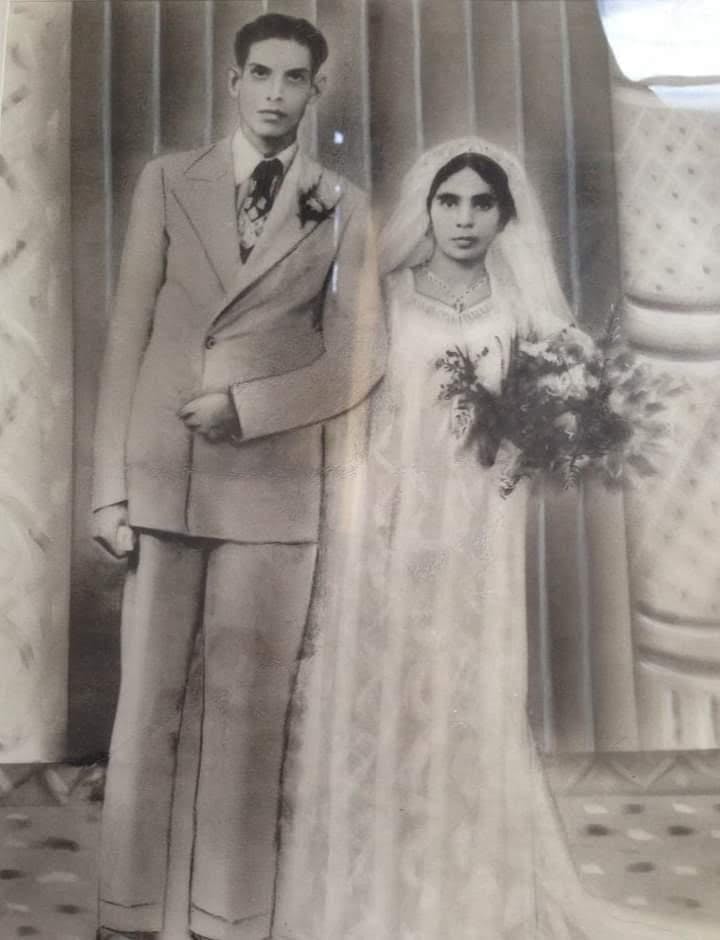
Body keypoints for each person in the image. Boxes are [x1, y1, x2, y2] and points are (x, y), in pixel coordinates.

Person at [270, 138, 718, 940]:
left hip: (478, 532)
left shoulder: (523, 313)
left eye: (482, 204)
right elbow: (349, 413)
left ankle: (467, 899)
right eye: (451, 202)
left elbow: (570, 413)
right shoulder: (389, 295)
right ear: (427, 209)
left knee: (467, 697)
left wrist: (560, 428)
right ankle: (372, 896)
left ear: (505, 215)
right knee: (385, 696)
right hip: (386, 529)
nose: (465, 218)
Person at [91, 13, 384, 940]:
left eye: (293, 79)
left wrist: (250, 408)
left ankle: (229, 920)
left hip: (271, 487)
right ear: (232, 81)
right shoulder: (165, 181)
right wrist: (110, 487)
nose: (273, 93)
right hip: (164, 475)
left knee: (249, 714)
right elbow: (128, 330)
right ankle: (127, 918)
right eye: (259, 74)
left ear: (315, 92)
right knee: (146, 712)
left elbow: (359, 357)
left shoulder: (344, 205)